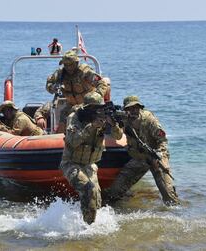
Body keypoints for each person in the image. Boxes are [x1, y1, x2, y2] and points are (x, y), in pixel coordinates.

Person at [60, 92, 123, 224]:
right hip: (71, 164)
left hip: (90, 165)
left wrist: (113, 124)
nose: (98, 111)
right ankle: (87, 229)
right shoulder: (75, 118)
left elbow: (118, 137)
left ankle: (88, 225)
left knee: (97, 199)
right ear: (87, 108)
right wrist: (91, 126)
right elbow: (73, 141)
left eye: (99, 108)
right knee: (89, 189)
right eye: (94, 108)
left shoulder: (103, 119)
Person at [104, 96, 179, 206]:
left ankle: (176, 215)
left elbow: (162, 140)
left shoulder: (149, 119)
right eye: (130, 108)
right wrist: (113, 124)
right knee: (114, 192)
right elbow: (118, 136)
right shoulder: (124, 120)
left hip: (156, 157)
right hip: (139, 158)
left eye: (136, 108)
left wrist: (159, 154)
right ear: (125, 110)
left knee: (169, 196)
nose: (134, 111)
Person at [46, 50, 109, 133]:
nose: (68, 67)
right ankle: (61, 141)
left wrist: (97, 96)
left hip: (89, 105)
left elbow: (102, 83)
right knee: (62, 121)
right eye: (66, 65)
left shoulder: (85, 72)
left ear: (76, 63)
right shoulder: (60, 74)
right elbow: (48, 84)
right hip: (71, 105)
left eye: (71, 64)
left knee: (88, 124)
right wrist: (53, 88)